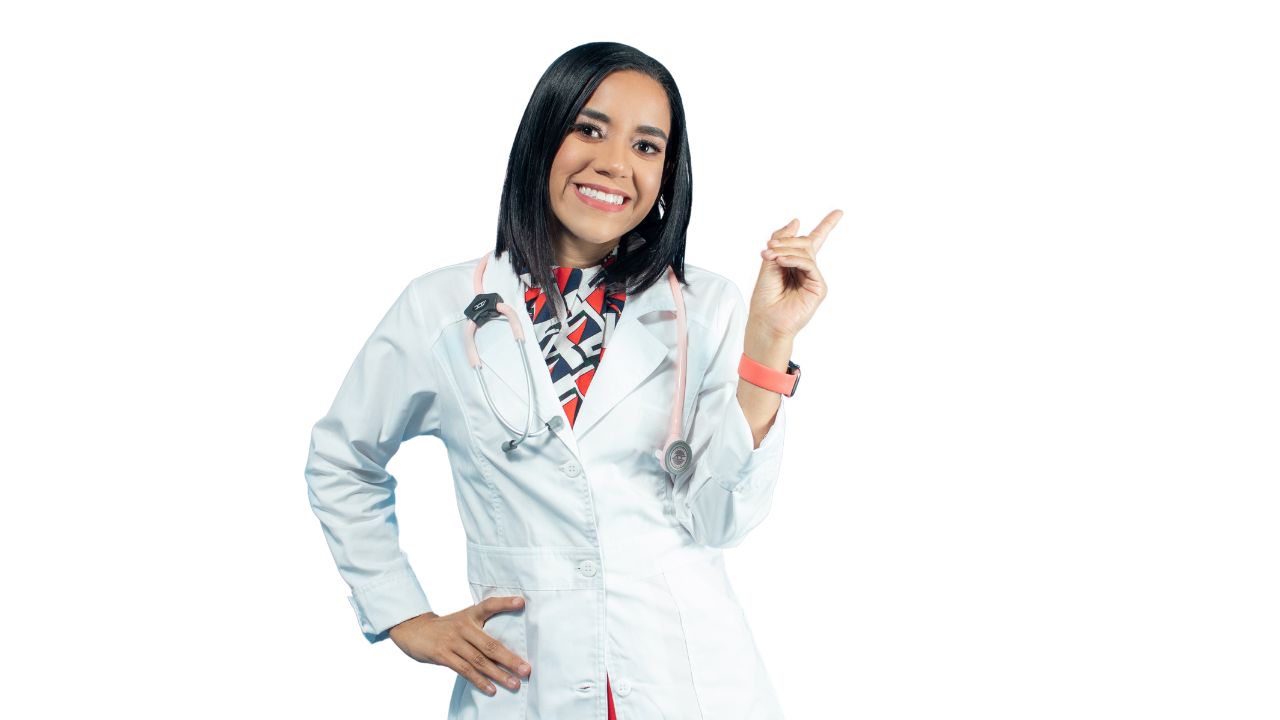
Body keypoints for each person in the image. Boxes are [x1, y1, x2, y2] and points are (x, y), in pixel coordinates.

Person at [304, 40, 840, 720]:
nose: (615, 163)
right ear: (542, 138)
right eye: (589, 129)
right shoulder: (440, 309)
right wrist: (402, 614)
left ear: (667, 174)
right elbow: (341, 459)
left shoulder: (708, 308)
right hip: (524, 683)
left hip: (692, 686)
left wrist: (769, 344)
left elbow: (721, 519)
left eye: (646, 146)